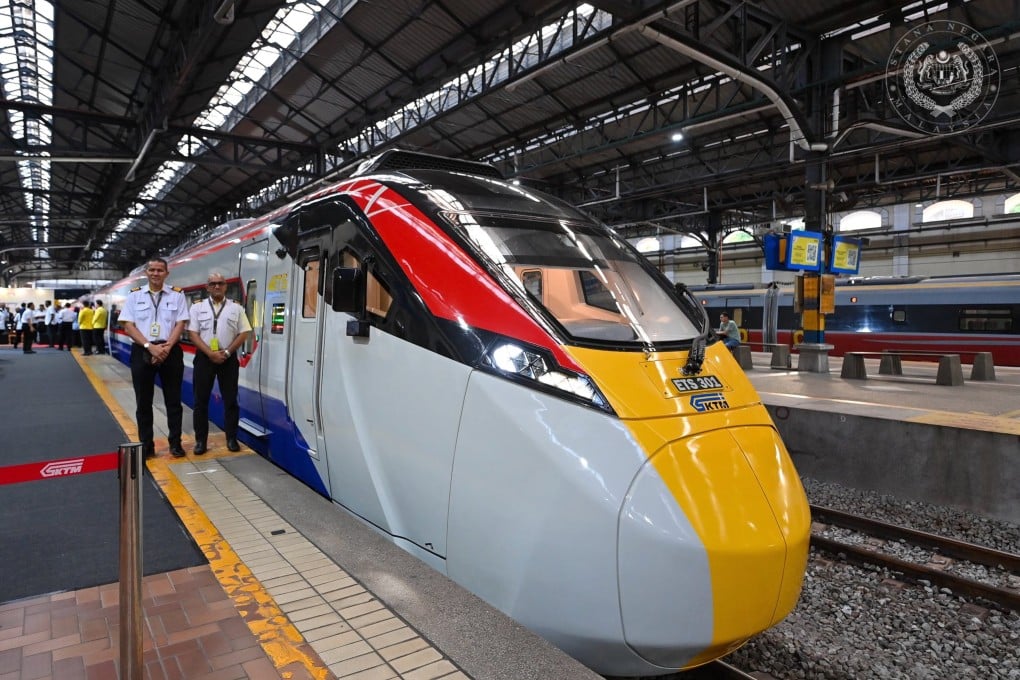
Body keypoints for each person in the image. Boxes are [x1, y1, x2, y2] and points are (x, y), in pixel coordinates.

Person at [118, 258, 190, 458]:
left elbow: (180, 323)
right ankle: (146, 445)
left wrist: (166, 348)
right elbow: (128, 326)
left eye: (160, 270)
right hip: (142, 350)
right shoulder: (135, 296)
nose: (155, 273)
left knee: (174, 401)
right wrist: (150, 347)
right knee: (143, 402)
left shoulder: (177, 295)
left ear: (167, 274)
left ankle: (175, 444)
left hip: (170, 350)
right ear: (146, 273)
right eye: (152, 270)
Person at [188, 273, 251, 455]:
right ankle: (201, 441)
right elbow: (193, 334)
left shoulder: (236, 308)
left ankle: (231, 439)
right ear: (207, 287)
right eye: (213, 284)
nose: (217, 286)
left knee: (231, 400)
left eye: (220, 283)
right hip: (204, 358)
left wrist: (228, 352)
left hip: (228, 358)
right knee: (200, 402)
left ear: (225, 287)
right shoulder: (197, 308)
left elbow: (243, 332)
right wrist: (209, 353)